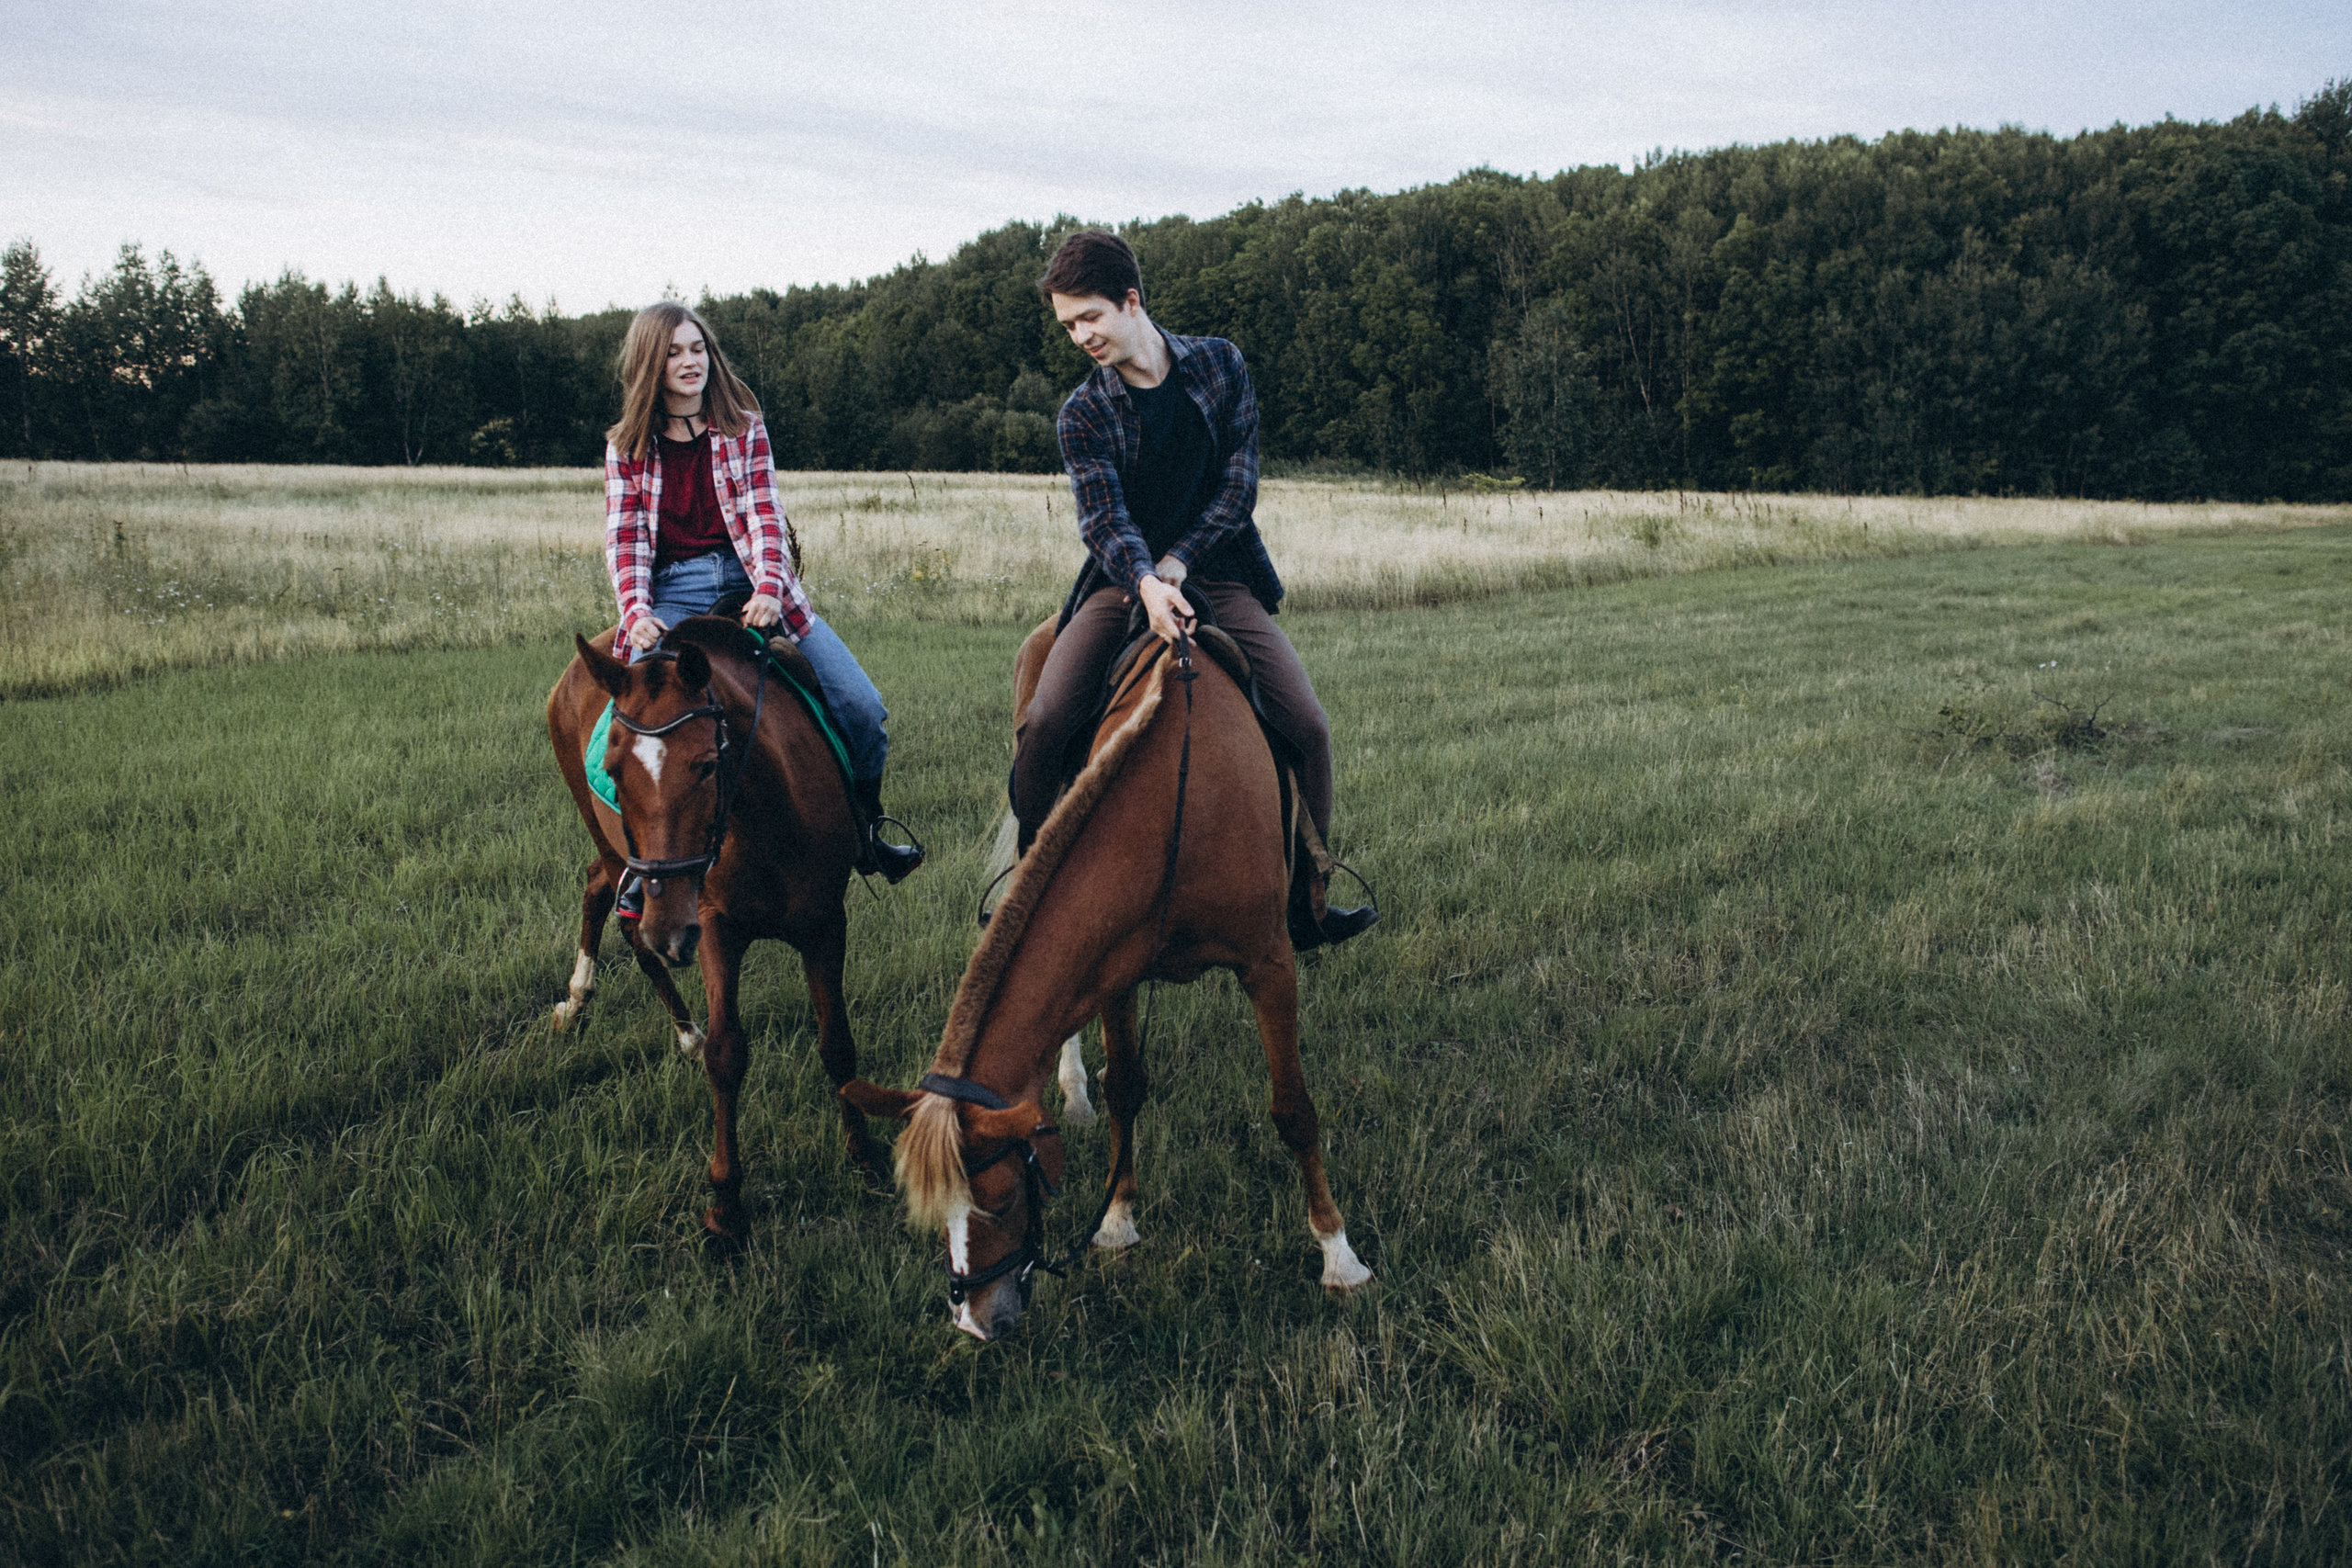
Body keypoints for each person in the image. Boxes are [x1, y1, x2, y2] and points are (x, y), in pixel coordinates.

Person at [1020, 231, 1374, 947]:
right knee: (1049, 718)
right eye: (1067, 325)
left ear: (1131, 299)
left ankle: (1305, 896)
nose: (1080, 336)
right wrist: (1149, 579)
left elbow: (1238, 485)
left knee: (1307, 725)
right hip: (1124, 582)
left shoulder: (1219, 364)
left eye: (1089, 316)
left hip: (1219, 571)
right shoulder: (1081, 413)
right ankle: (1028, 886)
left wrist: (1181, 560)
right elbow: (1104, 519)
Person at [602, 300, 922, 894]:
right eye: (674, 352)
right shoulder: (627, 447)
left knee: (862, 708)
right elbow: (624, 540)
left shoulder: (742, 428)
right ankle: (635, 864)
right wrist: (636, 610)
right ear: (651, 361)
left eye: (697, 348)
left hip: (752, 582)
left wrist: (771, 588)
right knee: (613, 738)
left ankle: (867, 830)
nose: (690, 361)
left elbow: (765, 519)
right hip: (671, 594)